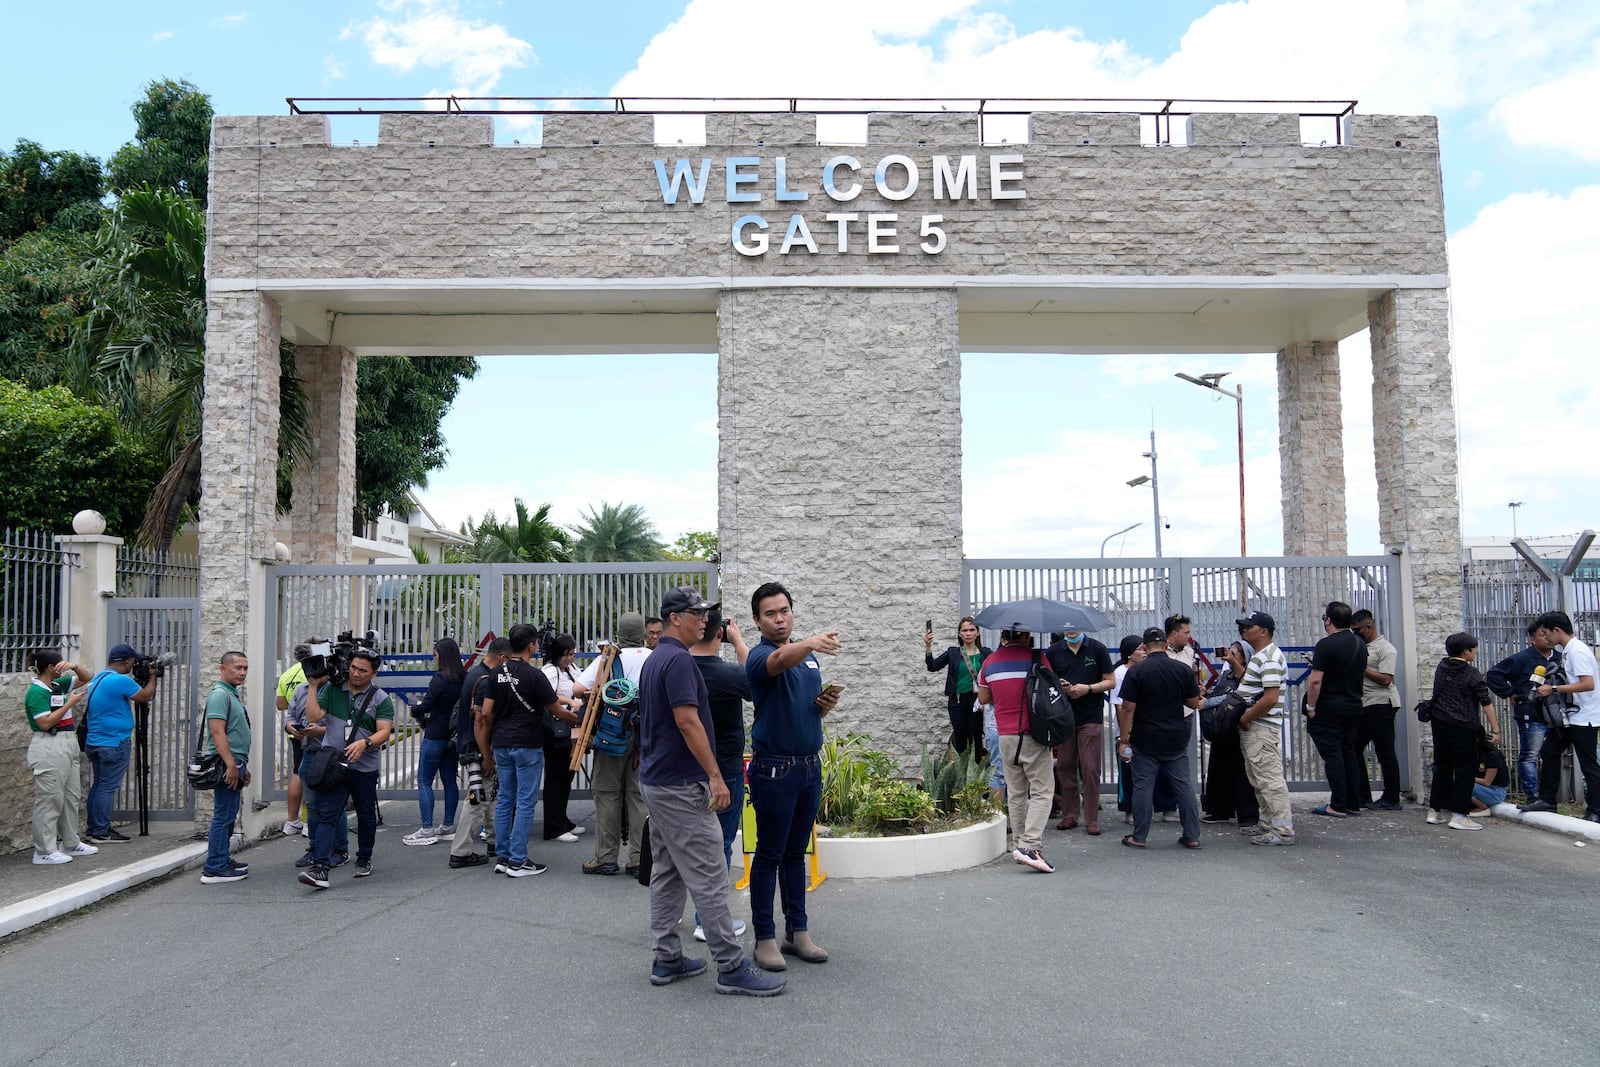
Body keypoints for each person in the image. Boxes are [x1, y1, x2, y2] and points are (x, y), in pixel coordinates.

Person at [638, 585, 784, 997]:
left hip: (658, 781)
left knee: (667, 872)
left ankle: (667, 957)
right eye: (696, 613)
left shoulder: (657, 658)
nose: (705, 620)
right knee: (709, 872)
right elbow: (688, 723)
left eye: (706, 613)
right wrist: (716, 777)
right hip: (682, 785)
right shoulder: (679, 662)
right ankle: (731, 965)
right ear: (674, 618)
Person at [746, 581, 843, 970]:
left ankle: (796, 932)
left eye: (784, 610)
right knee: (768, 855)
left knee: (795, 853)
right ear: (757, 620)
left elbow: (802, 710)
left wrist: (824, 706)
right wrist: (810, 642)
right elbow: (778, 663)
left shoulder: (810, 662)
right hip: (774, 769)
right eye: (770, 613)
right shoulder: (760, 656)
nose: (779, 618)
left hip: (808, 766)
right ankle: (764, 938)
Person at [479, 623, 575, 877]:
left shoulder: (496, 672)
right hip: (527, 745)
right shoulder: (534, 675)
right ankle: (519, 860)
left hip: (501, 744)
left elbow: (486, 712)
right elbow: (555, 709)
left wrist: (490, 745)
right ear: (531, 645)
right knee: (524, 802)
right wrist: (579, 721)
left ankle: (503, 855)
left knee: (504, 799)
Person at [297, 648, 395, 889]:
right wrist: (312, 686)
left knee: (365, 814)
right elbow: (313, 715)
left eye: (363, 670)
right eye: (353, 668)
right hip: (335, 765)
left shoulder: (380, 698)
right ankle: (320, 868)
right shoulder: (333, 690)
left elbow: (384, 730)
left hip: (364, 767)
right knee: (327, 813)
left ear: (374, 673)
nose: (356, 674)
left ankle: (364, 857)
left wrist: (366, 742)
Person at [689, 606, 751, 942]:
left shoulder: (678, 669)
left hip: (682, 769)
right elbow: (757, 684)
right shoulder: (729, 674)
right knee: (720, 844)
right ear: (720, 634)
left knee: (687, 845)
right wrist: (739, 641)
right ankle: (708, 920)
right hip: (724, 768)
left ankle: (686, 918)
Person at [578, 612, 652, 876]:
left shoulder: (608, 658)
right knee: (638, 795)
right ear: (643, 632)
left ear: (620, 633)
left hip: (612, 735)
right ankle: (637, 858)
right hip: (646, 738)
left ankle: (606, 857)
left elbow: (578, 689)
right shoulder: (655, 657)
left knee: (608, 793)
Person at [1116, 627, 1204, 849]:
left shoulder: (1136, 672)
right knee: (1184, 786)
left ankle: (1140, 836)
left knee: (1143, 787)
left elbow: (1127, 708)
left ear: (1144, 646)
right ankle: (1192, 836)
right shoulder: (1182, 670)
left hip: (1145, 738)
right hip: (1175, 737)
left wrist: (1124, 739)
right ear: (1166, 645)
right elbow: (1193, 703)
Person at [978, 629, 1056, 873]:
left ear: (1004, 637)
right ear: (1025, 637)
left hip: (1005, 735)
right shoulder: (1037, 658)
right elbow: (1049, 690)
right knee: (1042, 791)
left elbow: (983, 698)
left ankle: (1019, 844)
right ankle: (1030, 846)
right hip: (1032, 733)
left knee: (1016, 792)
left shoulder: (989, 662)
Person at [1519, 611, 1600, 822]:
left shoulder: (1577, 652)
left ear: (1557, 630)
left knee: (1588, 764)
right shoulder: (1567, 651)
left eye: (1547, 634)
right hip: (1570, 717)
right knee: (1549, 751)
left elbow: (1587, 683)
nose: (1545, 639)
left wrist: (1553, 689)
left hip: (1584, 718)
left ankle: (1595, 811)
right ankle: (1547, 800)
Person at [23, 649, 96, 865]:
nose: (63, 666)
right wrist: (69, 704)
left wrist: (73, 666)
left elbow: (87, 677)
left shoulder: (57, 685)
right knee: (50, 798)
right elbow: (45, 723)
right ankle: (44, 850)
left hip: (67, 742)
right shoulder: (36, 692)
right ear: (51, 667)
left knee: (70, 796)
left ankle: (71, 842)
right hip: (48, 745)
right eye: (60, 664)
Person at [81, 643, 158, 844]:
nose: (134, 664)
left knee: (98, 786)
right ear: (126, 662)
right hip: (113, 742)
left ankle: (94, 829)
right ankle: (102, 831)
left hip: (95, 741)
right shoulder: (119, 680)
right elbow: (145, 696)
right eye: (133, 661)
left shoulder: (99, 677)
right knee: (106, 787)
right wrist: (152, 677)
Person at [1045, 628, 1115, 835]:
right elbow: (1047, 679)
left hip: (1091, 716)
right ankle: (1070, 815)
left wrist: (1088, 688)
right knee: (1065, 766)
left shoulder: (1097, 649)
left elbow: (1111, 681)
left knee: (1090, 767)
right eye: (1067, 627)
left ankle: (1091, 819)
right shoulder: (1054, 651)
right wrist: (1060, 685)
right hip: (1064, 717)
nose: (1071, 630)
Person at [1426, 632, 1498, 831]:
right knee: (1465, 770)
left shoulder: (1442, 667)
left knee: (1441, 767)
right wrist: (1496, 729)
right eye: (1473, 649)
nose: (1475, 653)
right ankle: (1459, 815)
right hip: (1464, 726)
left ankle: (1435, 811)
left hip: (1440, 723)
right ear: (1466, 652)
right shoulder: (1471, 673)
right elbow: (1486, 702)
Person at [1235, 611, 1296, 846]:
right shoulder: (1262, 656)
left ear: (1264, 631)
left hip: (1260, 726)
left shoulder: (1269, 658)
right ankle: (1268, 824)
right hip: (1256, 727)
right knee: (1258, 777)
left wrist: (1245, 718)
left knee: (1269, 778)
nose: (1244, 630)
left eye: (1249, 626)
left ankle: (1282, 829)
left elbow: (1270, 698)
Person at [446, 638, 508, 869]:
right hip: (477, 750)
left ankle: (494, 840)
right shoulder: (485, 681)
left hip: (471, 746)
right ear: (502, 658)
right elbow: (480, 721)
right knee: (477, 799)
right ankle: (460, 851)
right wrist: (487, 756)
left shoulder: (475, 673)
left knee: (490, 795)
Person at [1304, 601, 1368, 818]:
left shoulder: (1326, 645)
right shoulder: (1359, 643)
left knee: (1333, 755)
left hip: (1329, 708)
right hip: (1353, 706)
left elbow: (1315, 682)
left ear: (1328, 620)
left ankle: (1338, 804)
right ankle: (1352, 802)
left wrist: (1311, 707)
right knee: (1349, 752)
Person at [1485, 620, 1561, 799]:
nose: (1547, 638)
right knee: (1530, 755)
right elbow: (1494, 674)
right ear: (1532, 639)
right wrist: (1510, 693)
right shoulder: (1522, 658)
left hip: (1556, 715)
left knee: (1552, 755)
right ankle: (1532, 795)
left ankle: (1550, 795)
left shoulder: (1559, 658)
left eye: (1549, 633)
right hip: (1531, 714)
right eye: (1542, 635)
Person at [403, 636, 465, 846]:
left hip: (435, 734)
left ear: (442, 656)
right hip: (453, 737)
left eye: (436, 654)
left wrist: (414, 709)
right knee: (449, 781)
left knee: (424, 781)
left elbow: (428, 704)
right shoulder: (463, 678)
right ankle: (448, 826)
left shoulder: (440, 679)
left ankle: (427, 828)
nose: (434, 658)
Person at [200, 652, 253, 884]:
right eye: (237, 668)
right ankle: (215, 867)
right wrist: (231, 764)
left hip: (236, 762)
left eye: (245, 668)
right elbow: (217, 732)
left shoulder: (231, 695)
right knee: (223, 815)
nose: (242, 672)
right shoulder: (219, 695)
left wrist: (242, 766)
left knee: (230, 814)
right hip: (226, 763)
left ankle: (221, 858)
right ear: (223, 669)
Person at [287, 677, 348, 872]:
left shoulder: (338, 690)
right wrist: (292, 728)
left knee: (333, 805)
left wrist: (321, 731)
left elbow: (347, 723)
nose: (310, 672)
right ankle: (315, 848)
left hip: (331, 755)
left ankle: (340, 850)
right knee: (312, 805)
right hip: (309, 753)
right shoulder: (301, 690)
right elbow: (290, 717)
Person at [1201, 640, 1260, 827]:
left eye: (1234, 654)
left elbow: (1240, 692)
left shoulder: (1249, 674)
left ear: (1244, 658)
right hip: (1222, 726)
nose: (1229, 656)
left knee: (1241, 772)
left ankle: (1247, 814)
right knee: (1219, 769)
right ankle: (1219, 809)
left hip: (1239, 726)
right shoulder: (1226, 674)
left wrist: (1208, 703)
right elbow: (1220, 691)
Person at [1351, 610, 1402, 810]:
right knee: (1354, 748)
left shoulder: (1385, 649)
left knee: (1385, 752)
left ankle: (1392, 798)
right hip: (1363, 704)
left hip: (1381, 704)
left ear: (1369, 627)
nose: (1355, 633)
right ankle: (1363, 796)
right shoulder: (1360, 647)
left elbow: (1386, 679)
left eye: (1358, 630)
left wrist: (1362, 667)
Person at [540, 634, 588, 843]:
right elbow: (546, 695)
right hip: (556, 729)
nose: (569, 658)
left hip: (570, 728)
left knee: (566, 776)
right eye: (565, 654)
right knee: (555, 777)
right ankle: (554, 826)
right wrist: (570, 700)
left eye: (571, 654)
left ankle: (563, 820)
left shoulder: (571, 670)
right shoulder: (550, 672)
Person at [923, 618, 991, 757]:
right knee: (960, 738)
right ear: (959, 634)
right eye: (964, 630)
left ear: (977, 632)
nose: (968, 633)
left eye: (971, 630)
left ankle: (976, 773)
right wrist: (928, 647)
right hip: (957, 701)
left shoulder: (986, 653)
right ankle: (960, 773)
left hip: (977, 701)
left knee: (976, 738)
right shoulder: (953, 652)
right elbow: (933, 666)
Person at [275, 640, 315, 837]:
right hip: (314, 731)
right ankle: (308, 823)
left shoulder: (287, 674)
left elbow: (280, 704)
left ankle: (292, 821)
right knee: (313, 775)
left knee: (298, 773)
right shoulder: (314, 672)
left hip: (294, 730)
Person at [1109, 635, 1146, 825]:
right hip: (1126, 731)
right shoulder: (1120, 673)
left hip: (1145, 728)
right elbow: (1120, 706)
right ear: (1130, 653)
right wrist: (1125, 734)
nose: (1144, 652)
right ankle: (1129, 809)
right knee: (1128, 770)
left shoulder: (1145, 670)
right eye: (1140, 649)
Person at [1469, 737, 1509, 817]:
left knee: (1462, 783)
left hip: (1496, 791)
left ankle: (1483, 808)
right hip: (1483, 789)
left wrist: (1466, 777)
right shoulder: (1477, 756)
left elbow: (1487, 782)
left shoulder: (1493, 756)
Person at [1164, 614, 1203, 684]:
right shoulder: (1161, 652)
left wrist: (1197, 687)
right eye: (1186, 633)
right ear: (1174, 633)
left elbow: (1197, 672)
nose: (1189, 636)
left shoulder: (1190, 652)